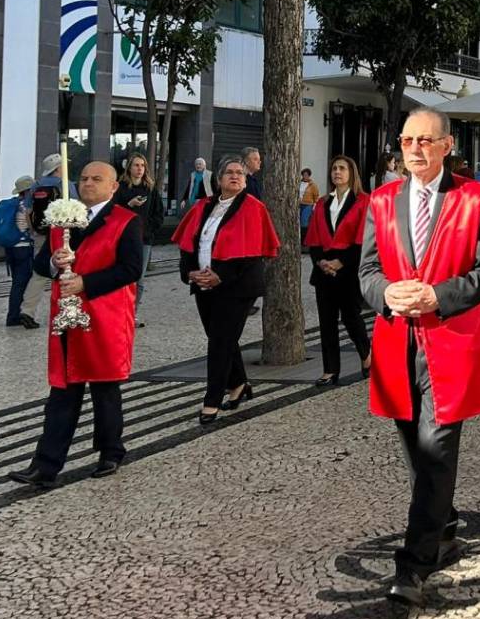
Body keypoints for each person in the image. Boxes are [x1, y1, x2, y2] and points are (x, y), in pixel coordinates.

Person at [357, 107, 480, 607]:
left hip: (450, 342)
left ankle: (415, 565)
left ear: (446, 146)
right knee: (417, 453)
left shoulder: (475, 198)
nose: (415, 149)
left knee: (437, 449)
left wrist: (438, 295)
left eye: (425, 141)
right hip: (397, 345)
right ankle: (444, 521)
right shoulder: (380, 201)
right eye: (407, 141)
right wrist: (388, 294)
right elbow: (367, 272)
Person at [7, 162, 143, 489]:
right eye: (83, 178)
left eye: (97, 179)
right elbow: (42, 265)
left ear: (113, 187)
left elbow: (130, 269)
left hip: (104, 316)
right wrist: (55, 261)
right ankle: (45, 465)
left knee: (104, 388)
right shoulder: (63, 218)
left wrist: (86, 283)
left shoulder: (126, 221)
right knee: (62, 392)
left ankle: (111, 451)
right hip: (68, 319)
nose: (88, 184)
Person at [173, 158, 279, 425]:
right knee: (223, 338)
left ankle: (211, 400)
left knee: (219, 341)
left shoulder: (253, 207)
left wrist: (220, 275)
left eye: (239, 173)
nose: (235, 176)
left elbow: (252, 252)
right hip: (203, 284)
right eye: (229, 173)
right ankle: (239, 383)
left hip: (237, 286)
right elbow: (188, 245)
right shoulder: (203, 206)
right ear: (218, 179)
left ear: (245, 179)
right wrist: (190, 273)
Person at [305, 155, 372, 387]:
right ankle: (330, 369)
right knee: (326, 322)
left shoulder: (364, 201)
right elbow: (313, 239)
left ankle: (366, 355)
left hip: (349, 269)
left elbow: (364, 240)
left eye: (342, 168)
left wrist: (340, 263)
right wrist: (322, 262)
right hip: (324, 271)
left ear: (351, 173)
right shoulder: (322, 202)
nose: (337, 172)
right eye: (334, 168)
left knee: (351, 318)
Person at [20, 154, 77, 324]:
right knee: (66, 271)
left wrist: (34, 231)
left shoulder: (36, 185)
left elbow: (28, 211)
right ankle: (66, 310)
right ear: (59, 168)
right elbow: (75, 209)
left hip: (40, 233)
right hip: (62, 233)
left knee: (39, 272)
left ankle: (27, 310)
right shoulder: (65, 185)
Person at [115, 153, 164, 325]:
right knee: (122, 277)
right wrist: (129, 205)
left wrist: (149, 230)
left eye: (142, 166)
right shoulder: (120, 188)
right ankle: (119, 312)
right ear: (129, 167)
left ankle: (132, 314)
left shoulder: (149, 189)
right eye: (136, 165)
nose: (139, 169)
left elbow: (159, 213)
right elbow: (111, 211)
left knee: (139, 279)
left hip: (143, 240)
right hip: (122, 239)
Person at [2, 176, 41, 329]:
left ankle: (13, 314)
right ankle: (15, 316)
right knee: (21, 282)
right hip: (23, 247)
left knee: (16, 282)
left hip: (11, 247)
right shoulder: (26, 205)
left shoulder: (14, 203)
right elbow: (31, 226)